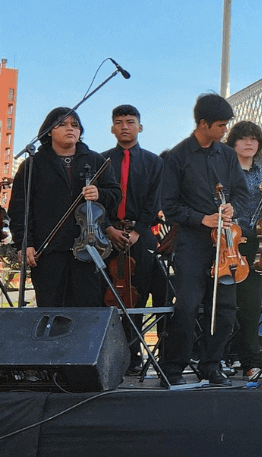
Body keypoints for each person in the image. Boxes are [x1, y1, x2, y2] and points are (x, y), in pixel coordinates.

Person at [158, 93, 250, 387]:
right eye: (221, 126)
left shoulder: (226, 155)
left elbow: (241, 193)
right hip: (192, 242)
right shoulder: (177, 157)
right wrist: (202, 218)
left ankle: (212, 365)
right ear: (203, 123)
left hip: (224, 243)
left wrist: (231, 207)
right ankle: (172, 369)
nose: (225, 131)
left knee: (224, 308)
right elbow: (168, 205)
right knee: (187, 305)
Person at [11, 107, 121, 308]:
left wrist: (100, 194)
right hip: (48, 252)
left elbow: (115, 194)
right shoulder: (32, 164)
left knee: (88, 313)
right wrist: (24, 242)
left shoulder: (96, 160)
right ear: (49, 131)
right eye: (61, 124)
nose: (70, 128)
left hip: (89, 249)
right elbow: (20, 209)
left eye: (75, 125)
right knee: (50, 311)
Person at [102, 104, 165, 374]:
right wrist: (108, 229)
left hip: (142, 235)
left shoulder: (155, 162)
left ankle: (135, 353)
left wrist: (138, 229)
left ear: (140, 126)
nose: (124, 126)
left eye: (130, 121)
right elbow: (98, 200)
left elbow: (156, 198)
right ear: (112, 128)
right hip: (108, 235)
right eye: (119, 121)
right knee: (106, 296)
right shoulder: (101, 160)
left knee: (137, 296)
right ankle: (109, 355)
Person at [226, 121, 262, 379]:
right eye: (243, 138)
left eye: (253, 139)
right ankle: (220, 358)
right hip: (227, 243)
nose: (248, 143)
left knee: (250, 306)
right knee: (224, 305)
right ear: (233, 142)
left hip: (256, 245)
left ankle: (251, 360)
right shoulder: (224, 171)